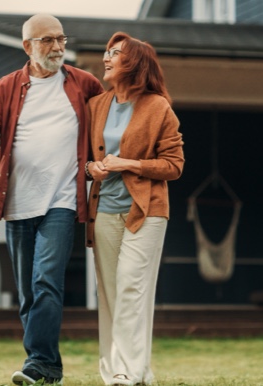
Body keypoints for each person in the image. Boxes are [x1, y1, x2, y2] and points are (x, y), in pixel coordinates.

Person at [0, 14, 104, 386]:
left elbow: (111, 123)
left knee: (46, 280)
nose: (58, 47)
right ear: (28, 47)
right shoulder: (6, 88)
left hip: (61, 201)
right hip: (16, 205)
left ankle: (38, 363)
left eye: (61, 39)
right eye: (47, 41)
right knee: (27, 291)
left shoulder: (85, 84)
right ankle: (48, 368)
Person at [85, 32, 185, 386]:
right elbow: (84, 159)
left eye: (115, 53)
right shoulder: (97, 104)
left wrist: (128, 163)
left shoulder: (158, 107)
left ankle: (125, 372)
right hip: (104, 212)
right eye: (106, 51)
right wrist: (91, 169)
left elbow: (174, 165)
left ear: (135, 63)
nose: (106, 58)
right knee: (111, 295)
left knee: (132, 289)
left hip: (146, 211)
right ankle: (126, 370)